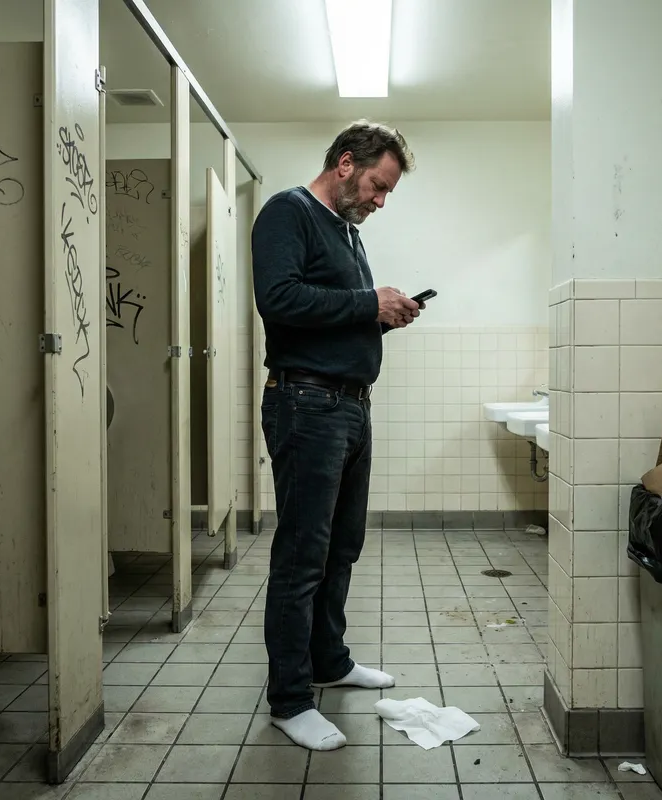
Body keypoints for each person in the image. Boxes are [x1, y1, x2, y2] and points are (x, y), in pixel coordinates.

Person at [251, 121, 423, 751]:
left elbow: (338, 309)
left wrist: (385, 312)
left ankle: (329, 661)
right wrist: (365, 305)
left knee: (341, 547)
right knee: (301, 558)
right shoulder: (287, 212)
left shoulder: (348, 233)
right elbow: (280, 299)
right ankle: (290, 700)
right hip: (307, 404)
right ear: (346, 164)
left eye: (387, 194)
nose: (380, 201)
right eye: (378, 186)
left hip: (350, 407)